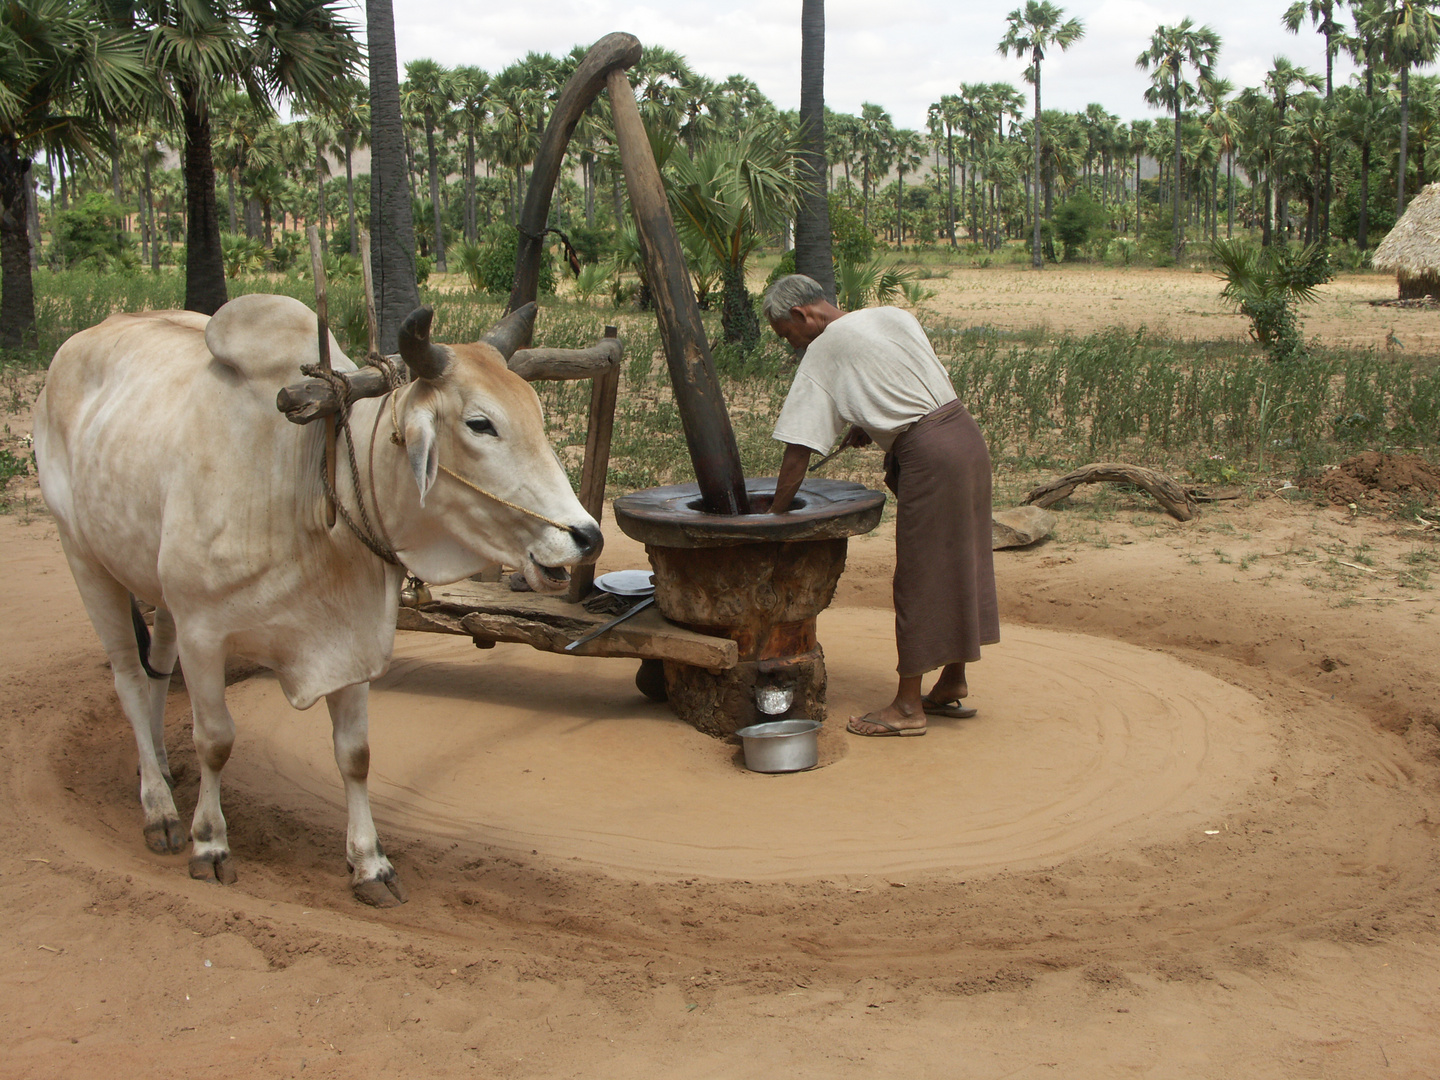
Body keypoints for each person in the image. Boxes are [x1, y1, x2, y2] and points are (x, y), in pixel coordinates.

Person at [762, 274, 999, 737]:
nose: (791, 344)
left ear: (801, 315)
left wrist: (773, 515)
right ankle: (952, 680)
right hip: (966, 440)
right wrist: (872, 424)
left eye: (787, 335)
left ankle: (909, 707)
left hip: (930, 456)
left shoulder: (824, 347)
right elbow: (913, 384)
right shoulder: (890, 316)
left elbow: (799, 446)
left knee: (920, 575)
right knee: (962, 561)